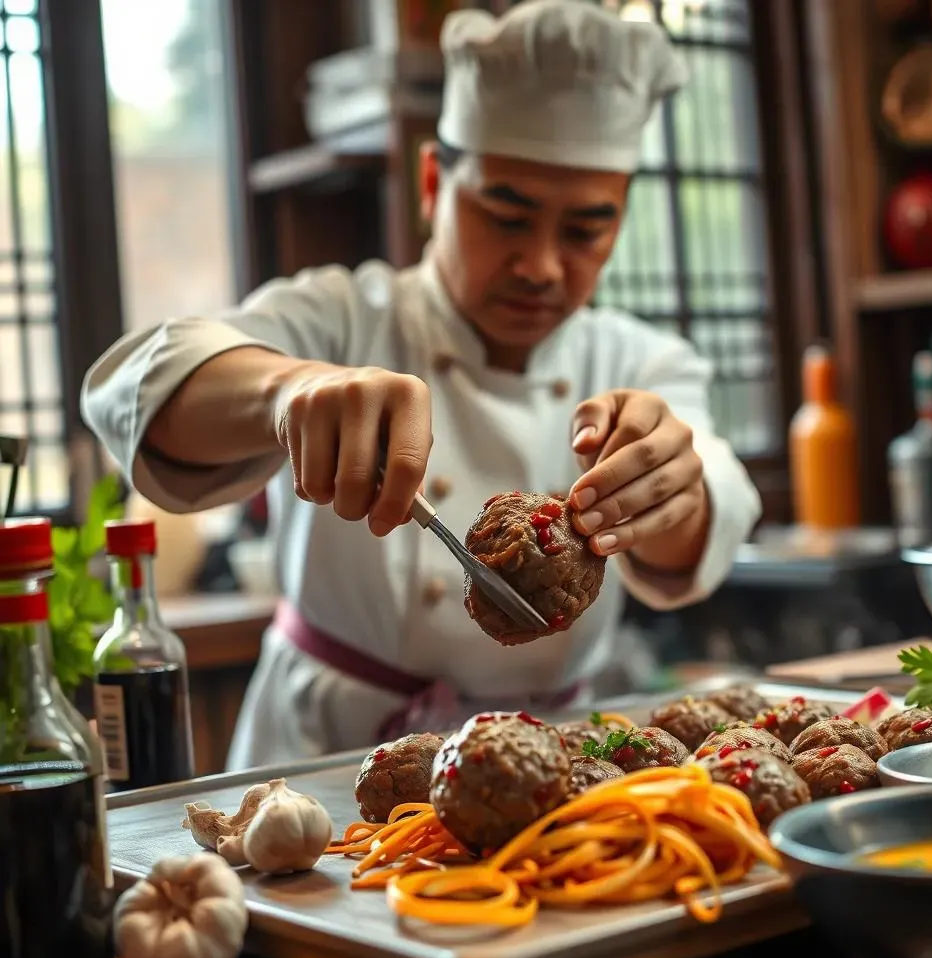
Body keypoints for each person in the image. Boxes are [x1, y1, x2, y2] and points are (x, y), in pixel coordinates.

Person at [81, 0, 762, 769]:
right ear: (434, 183)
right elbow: (132, 383)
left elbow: (714, 502)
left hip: (554, 763)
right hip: (325, 759)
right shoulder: (346, 316)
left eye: (583, 231)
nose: (541, 265)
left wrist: (669, 487)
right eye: (506, 216)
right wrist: (285, 391)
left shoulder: (640, 362)